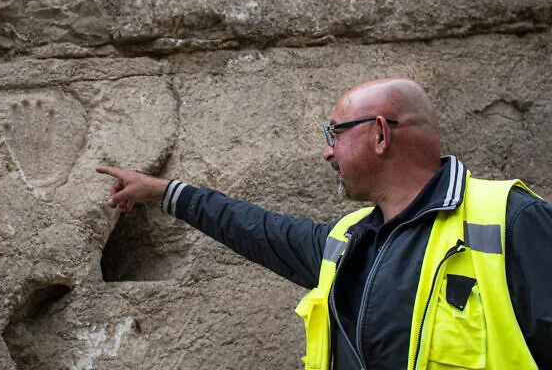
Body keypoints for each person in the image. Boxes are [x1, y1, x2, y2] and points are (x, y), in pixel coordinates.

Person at [96, 78, 552, 369]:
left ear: (379, 134)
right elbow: (258, 230)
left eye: (335, 133)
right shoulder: (349, 241)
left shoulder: (512, 219)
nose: (327, 151)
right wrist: (163, 192)